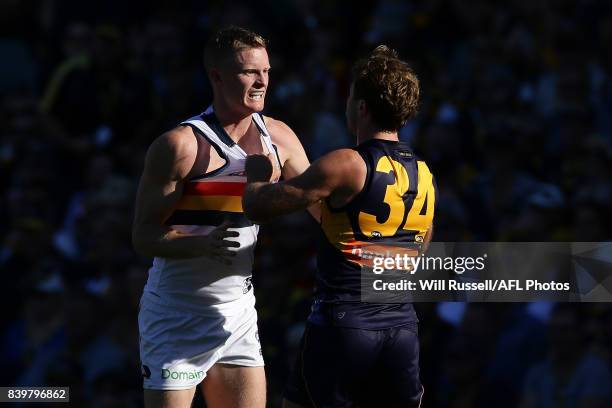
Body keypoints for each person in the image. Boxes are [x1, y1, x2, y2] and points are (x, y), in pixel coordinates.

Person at [242, 45, 435, 407]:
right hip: (402, 329)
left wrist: (256, 176)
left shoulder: (347, 163)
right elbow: (420, 246)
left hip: (343, 326)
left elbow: (259, 206)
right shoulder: (423, 173)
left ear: (360, 106)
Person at [132, 26, 310, 408]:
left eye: (266, 71)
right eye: (249, 72)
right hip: (176, 314)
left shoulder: (278, 137)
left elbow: (321, 203)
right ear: (217, 76)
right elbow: (143, 237)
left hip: (238, 314)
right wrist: (202, 244)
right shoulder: (180, 145)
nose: (262, 81)